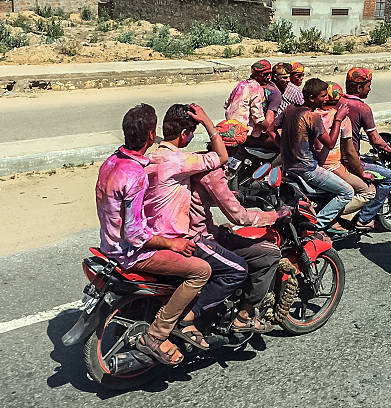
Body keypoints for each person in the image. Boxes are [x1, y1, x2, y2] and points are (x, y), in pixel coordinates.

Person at [96, 104, 211, 365]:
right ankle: (157, 335)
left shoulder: (111, 162)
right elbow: (136, 235)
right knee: (201, 270)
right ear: (150, 136)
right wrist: (173, 244)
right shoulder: (135, 174)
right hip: (131, 253)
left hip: (108, 245)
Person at [143, 103, 248, 349]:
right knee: (237, 269)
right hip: (177, 238)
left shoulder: (151, 158)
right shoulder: (180, 161)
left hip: (150, 235)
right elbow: (222, 157)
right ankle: (190, 320)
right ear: (184, 135)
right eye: (190, 133)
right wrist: (209, 124)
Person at [187, 116, 292, 333]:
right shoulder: (213, 172)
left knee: (227, 230)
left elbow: (205, 200)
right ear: (231, 149)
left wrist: (239, 195)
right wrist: (274, 216)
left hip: (195, 226)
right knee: (269, 254)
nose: (238, 156)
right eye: (237, 150)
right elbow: (240, 217)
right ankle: (244, 316)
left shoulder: (197, 160)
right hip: (199, 236)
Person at [275, 78, 354, 231]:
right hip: (307, 169)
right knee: (347, 192)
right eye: (323, 96)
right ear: (312, 98)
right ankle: (316, 225)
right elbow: (330, 143)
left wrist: (284, 147)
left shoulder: (290, 109)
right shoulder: (313, 117)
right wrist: (338, 118)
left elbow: (272, 129)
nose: (326, 99)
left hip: (287, 166)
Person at [340, 67, 391, 230]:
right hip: (348, 161)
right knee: (389, 177)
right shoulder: (363, 109)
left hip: (332, 157)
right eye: (368, 85)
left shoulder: (337, 101)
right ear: (360, 88)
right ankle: (365, 219)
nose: (370, 88)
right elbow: (376, 140)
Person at [315, 81, 376, 233]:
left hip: (310, 163)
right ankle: (332, 216)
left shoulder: (310, 114)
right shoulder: (342, 119)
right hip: (332, 167)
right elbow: (349, 152)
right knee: (369, 191)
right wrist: (362, 173)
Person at [224, 59, 274, 149]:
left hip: (230, 126)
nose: (269, 77)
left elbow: (227, 104)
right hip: (243, 131)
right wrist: (270, 128)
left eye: (270, 74)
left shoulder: (241, 84)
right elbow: (258, 117)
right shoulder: (256, 88)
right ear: (256, 74)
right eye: (265, 74)